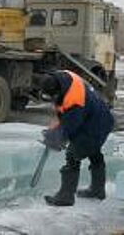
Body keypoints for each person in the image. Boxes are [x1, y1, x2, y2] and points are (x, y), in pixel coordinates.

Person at [40, 70, 114, 206]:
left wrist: (58, 138)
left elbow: (71, 125)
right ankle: (97, 190)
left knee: (73, 155)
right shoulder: (63, 80)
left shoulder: (74, 99)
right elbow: (62, 113)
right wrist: (53, 131)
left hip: (96, 124)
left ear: (57, 90)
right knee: (94, 152)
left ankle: (66, 196)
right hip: (95, 116)